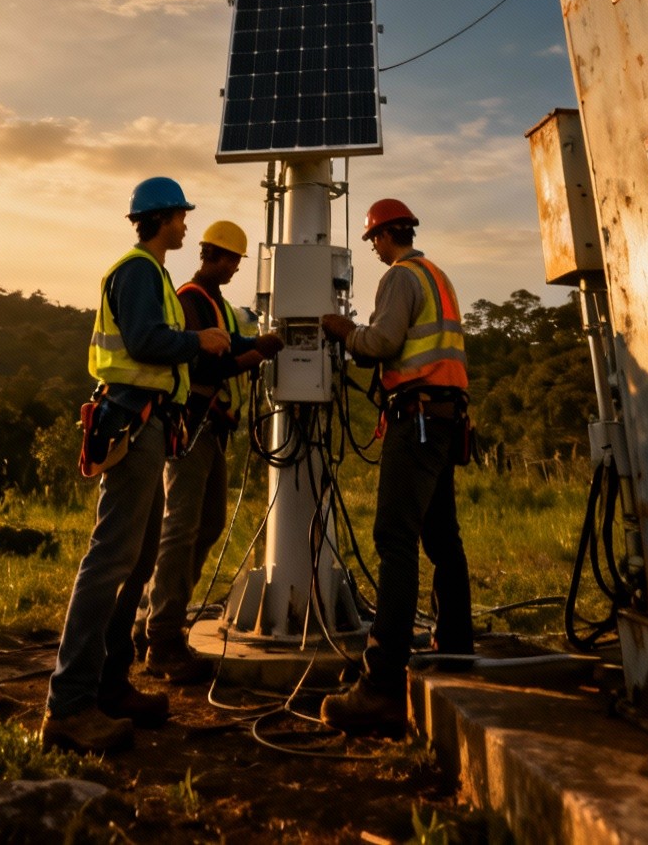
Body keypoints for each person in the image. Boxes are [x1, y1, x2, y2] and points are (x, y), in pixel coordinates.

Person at [39, 176, 231, 755]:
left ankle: (110, 683)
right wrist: (203, 343)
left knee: (139, 555)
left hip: (148, 424)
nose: (186, 226)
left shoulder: (154, 274)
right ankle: (69, 705)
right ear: (162, 217)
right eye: (180, 218)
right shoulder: (141, 270)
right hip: (134, 422)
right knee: (111, 559)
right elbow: (148, 342)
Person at [319, 198, 473, 737]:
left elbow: (382, 342)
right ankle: (456, 646)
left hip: (420, 419)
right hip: (445, 417)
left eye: (374, 241)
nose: (375, 250)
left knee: (395, 538)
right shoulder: (437, 275)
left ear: (385, 236)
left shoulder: (401, 278)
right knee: (440, 535)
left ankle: (381, 684)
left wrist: (343, 330)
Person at [137, 220, 283, 681]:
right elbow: (202, 361)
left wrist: (257, 346)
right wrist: (254, 355)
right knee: (181, 526)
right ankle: (161, 635)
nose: (238, 268)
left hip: (211, 427)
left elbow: (226, 347)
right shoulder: (189, 299)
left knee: (209, 522)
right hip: (192, 422)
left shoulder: (213, 302)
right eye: (234, 260)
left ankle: (159, 614)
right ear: (216, 257)